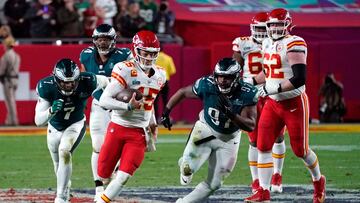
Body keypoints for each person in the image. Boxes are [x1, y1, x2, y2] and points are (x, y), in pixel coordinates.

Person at [244, 8, 326, 203]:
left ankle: (318, 181)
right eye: (272, 24)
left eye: (279, 24)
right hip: (273, 103)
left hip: (294, 102)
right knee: (263, 146)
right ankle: (263, 192)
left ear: (288, 25)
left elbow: (299, 78)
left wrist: (275, 88)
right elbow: (269, 72)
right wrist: (250, 82)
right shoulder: (265, 43)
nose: (274, 28)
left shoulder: (295, 42)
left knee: (301, 150)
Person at [161, 58, 258, 203]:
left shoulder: (247, 92)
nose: (223, 81)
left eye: (228, 77)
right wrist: (166, 112)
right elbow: (183, 92)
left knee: (215, 184)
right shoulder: (207, 84)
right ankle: (184, 164)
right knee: (188, 169)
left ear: (237, 77)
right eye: (220, 76)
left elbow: (250, 125)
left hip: (229, 139)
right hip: (205, 131)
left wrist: (232, 114)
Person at [96, 30, 166, 203]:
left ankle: (101, 201)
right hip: (118, 126)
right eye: (145, 52)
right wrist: (127, 106)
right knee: (103, 173)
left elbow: (150, 101)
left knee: (124, 175)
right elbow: (104, 100)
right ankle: (106, 182)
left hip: (139, 132)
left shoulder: (161, 74)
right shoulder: (124, 69)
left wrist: (153, 123)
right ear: (136, 50)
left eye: (152, 53)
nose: (149, 57)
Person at [34, 58, 109, 203]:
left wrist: (108, 102)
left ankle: (61, 197)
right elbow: (38, 121)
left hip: (75, 124)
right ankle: (65, 189)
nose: (69, 85)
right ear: (56, 80)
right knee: (58, 163)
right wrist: (51, 111)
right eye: (64, 82)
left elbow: (109, 82)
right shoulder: (46, 86)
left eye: (72, 81)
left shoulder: (88, 80)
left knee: (64, 151)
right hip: (54, 127)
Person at [232, 12, 286, 194]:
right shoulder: (243, 42)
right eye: (259, 29)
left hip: (272, 92)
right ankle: (256, 180)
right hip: (251, 94)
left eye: (265, 28)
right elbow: (235, 67)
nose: (262, 33)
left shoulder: (279, 43)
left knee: (278, 136)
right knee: (254, 141)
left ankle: (277, 175)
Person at [79, 23, 133, 201]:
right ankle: (98, 187)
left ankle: (114, 174)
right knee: (97, 146)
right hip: (99, 105)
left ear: (113, 40)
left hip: (119, 107)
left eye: (106, 39)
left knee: (118, 144)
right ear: (94, 40)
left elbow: (133, 79)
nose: (102, 43)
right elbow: (85, 76)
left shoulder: (124, 55)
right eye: (99, 39)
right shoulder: (86, 55)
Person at [0, 25, 20, 126]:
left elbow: (2, 71)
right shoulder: (17, 55)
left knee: (10, 102)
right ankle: (10, 120)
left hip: (8, 80)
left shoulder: (6, 55)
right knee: (12, 101)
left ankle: (13, 121)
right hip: (15, 80)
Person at [154, 45, 176, 121]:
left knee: (155, 101)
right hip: (165, 81)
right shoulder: (168, 58)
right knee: (165, 101)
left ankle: (155, 118)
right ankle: (165, 117)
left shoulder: (153, 58)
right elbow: (173, 71)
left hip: (155, 81)